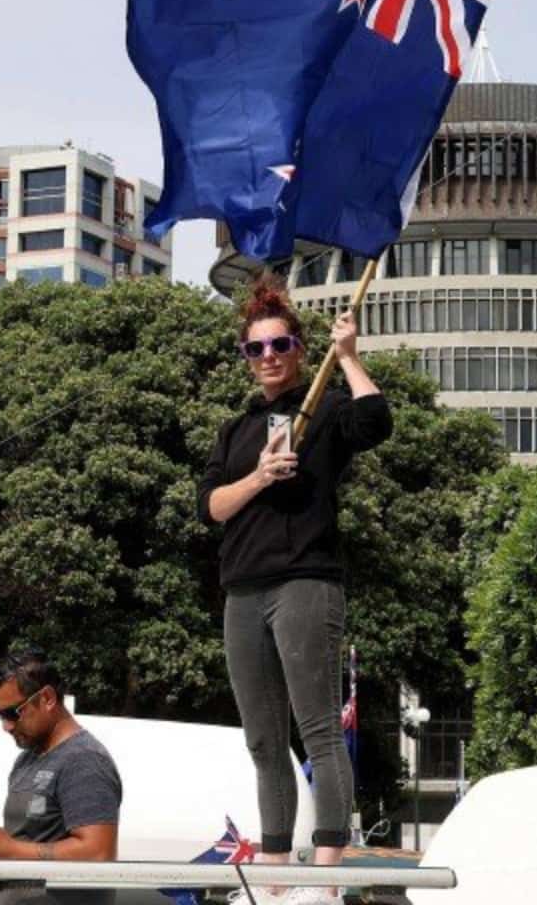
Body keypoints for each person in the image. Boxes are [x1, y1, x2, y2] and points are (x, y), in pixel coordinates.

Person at [199, 273, 392, 905]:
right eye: (256, 349)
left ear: (299, 349)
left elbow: (376, 421)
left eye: (279, 344)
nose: (269, 358)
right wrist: (257, 477)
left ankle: (327, 875)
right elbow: (213, 507)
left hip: (307, 581)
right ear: (245, 360)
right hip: (243, 589)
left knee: (317, 726)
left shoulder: (325, 408)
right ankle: (277, 871)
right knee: (262, 737)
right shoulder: (235, 432)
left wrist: (350, 357)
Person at [0, 648, 123, 905]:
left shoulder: (84, 759)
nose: (5, 727)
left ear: (48, 698)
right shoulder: (26, 760)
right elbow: (24, 845)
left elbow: (98, 853)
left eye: (11, 713)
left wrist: (9, 849)